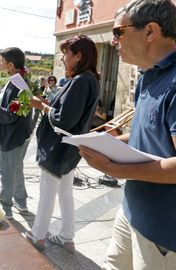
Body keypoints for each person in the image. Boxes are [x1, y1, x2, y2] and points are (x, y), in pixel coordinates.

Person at [79, 1, 176, 268]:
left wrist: (118, 170)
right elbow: (148, 136)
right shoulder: (147, 77)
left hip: (164, 231)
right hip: (133, 209)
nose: (112, 41)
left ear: (150, 31)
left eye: (118, 32)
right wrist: (105, 143)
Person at [23, 35, 100, 253]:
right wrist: (50, 105)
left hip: (59, 146)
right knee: (65, 191)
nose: (63, 58)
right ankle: (67, 236)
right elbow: (71, 113)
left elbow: (64, 118)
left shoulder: (80, 81)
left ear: (79, 56)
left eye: (67, 53)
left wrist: (43, 107)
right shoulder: (89, 79)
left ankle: (37, 235)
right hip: (70, 147)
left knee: (48, 191)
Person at [0, 47, 33, 216]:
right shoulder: (16, 79)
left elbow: (10, 116)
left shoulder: (19, 85)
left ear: (10, 65)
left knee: (7, 170)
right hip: (19, 133)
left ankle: (5, 207)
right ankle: (21, 200)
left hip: (14, 135)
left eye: (0, 60)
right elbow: (9, 106)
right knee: (16, 168)